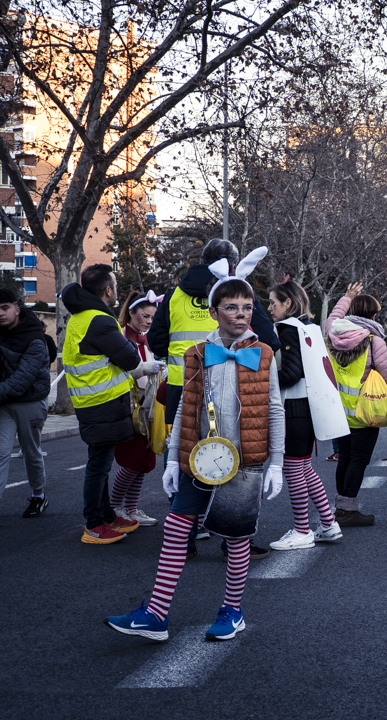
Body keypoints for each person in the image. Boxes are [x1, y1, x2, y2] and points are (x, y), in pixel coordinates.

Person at [107, 250, 285, 641]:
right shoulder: (197, 354)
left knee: (236, 537)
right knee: (176, 527)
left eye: (247, 306)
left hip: (245, 460)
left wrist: (276, 464)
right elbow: (186, 409)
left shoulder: (264, 354)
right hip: (198, 457)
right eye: (231, 306)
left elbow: (275, 410)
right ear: (214, 309)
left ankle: (232, 611)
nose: (240, 314)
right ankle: (155, 614)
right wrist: (173, 460)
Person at [61, 264, 161, 544]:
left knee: (101, 464)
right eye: (115, 285)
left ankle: (107, 516)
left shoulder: (81, 317)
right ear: (107, 290)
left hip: (93, 402)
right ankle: (94, 524)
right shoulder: (100, 321)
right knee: (98, 466)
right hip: (102, 403)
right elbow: (130, 360)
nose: (116, 290)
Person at [147, 238, 279, 428]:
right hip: (227, 385)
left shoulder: (173, 295)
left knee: (179, 446)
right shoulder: (241, 294)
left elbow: (155, 342)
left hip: (180, 384)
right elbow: (268, 340)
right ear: (234, 266)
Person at [266, 278, 342, 550]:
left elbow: (290, 373)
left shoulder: (287, 328)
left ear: (288, 303)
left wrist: (262, 377)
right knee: (304, 467)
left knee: (292, 468)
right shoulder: (309, 327)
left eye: (273, 302)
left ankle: (302, 530)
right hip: (308, 408)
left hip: (293, 410)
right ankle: (328, 524)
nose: (269, 307)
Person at [325, 284, 387, 527]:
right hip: (365, 411)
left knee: (344, 456)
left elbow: (333, 318)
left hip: (337, 410)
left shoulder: (333, 334)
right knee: (358, 459)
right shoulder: (374, 340)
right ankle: (348, 511)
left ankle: (340, 507)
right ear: (374, 316)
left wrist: (346, 297)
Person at [109, 290, 164, 527]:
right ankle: (114, 507)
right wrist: (146, 368)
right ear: (131, 313)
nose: (149, 321)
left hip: (148, 406)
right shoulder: (119, 337)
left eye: (152, 317)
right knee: (132, 461)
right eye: (144, 315)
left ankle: (131, 508)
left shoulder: (146, 338)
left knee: (143, 463)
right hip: (128, 407)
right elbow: (118, 371)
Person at [0, 288, 52, 518]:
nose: (0, 313)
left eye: (4, 308)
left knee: (31, 452)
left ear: (16, 309)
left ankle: (38, 496)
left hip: (29, 402)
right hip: (4, 404)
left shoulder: (34, 338)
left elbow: (21, 380)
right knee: (0, 452)